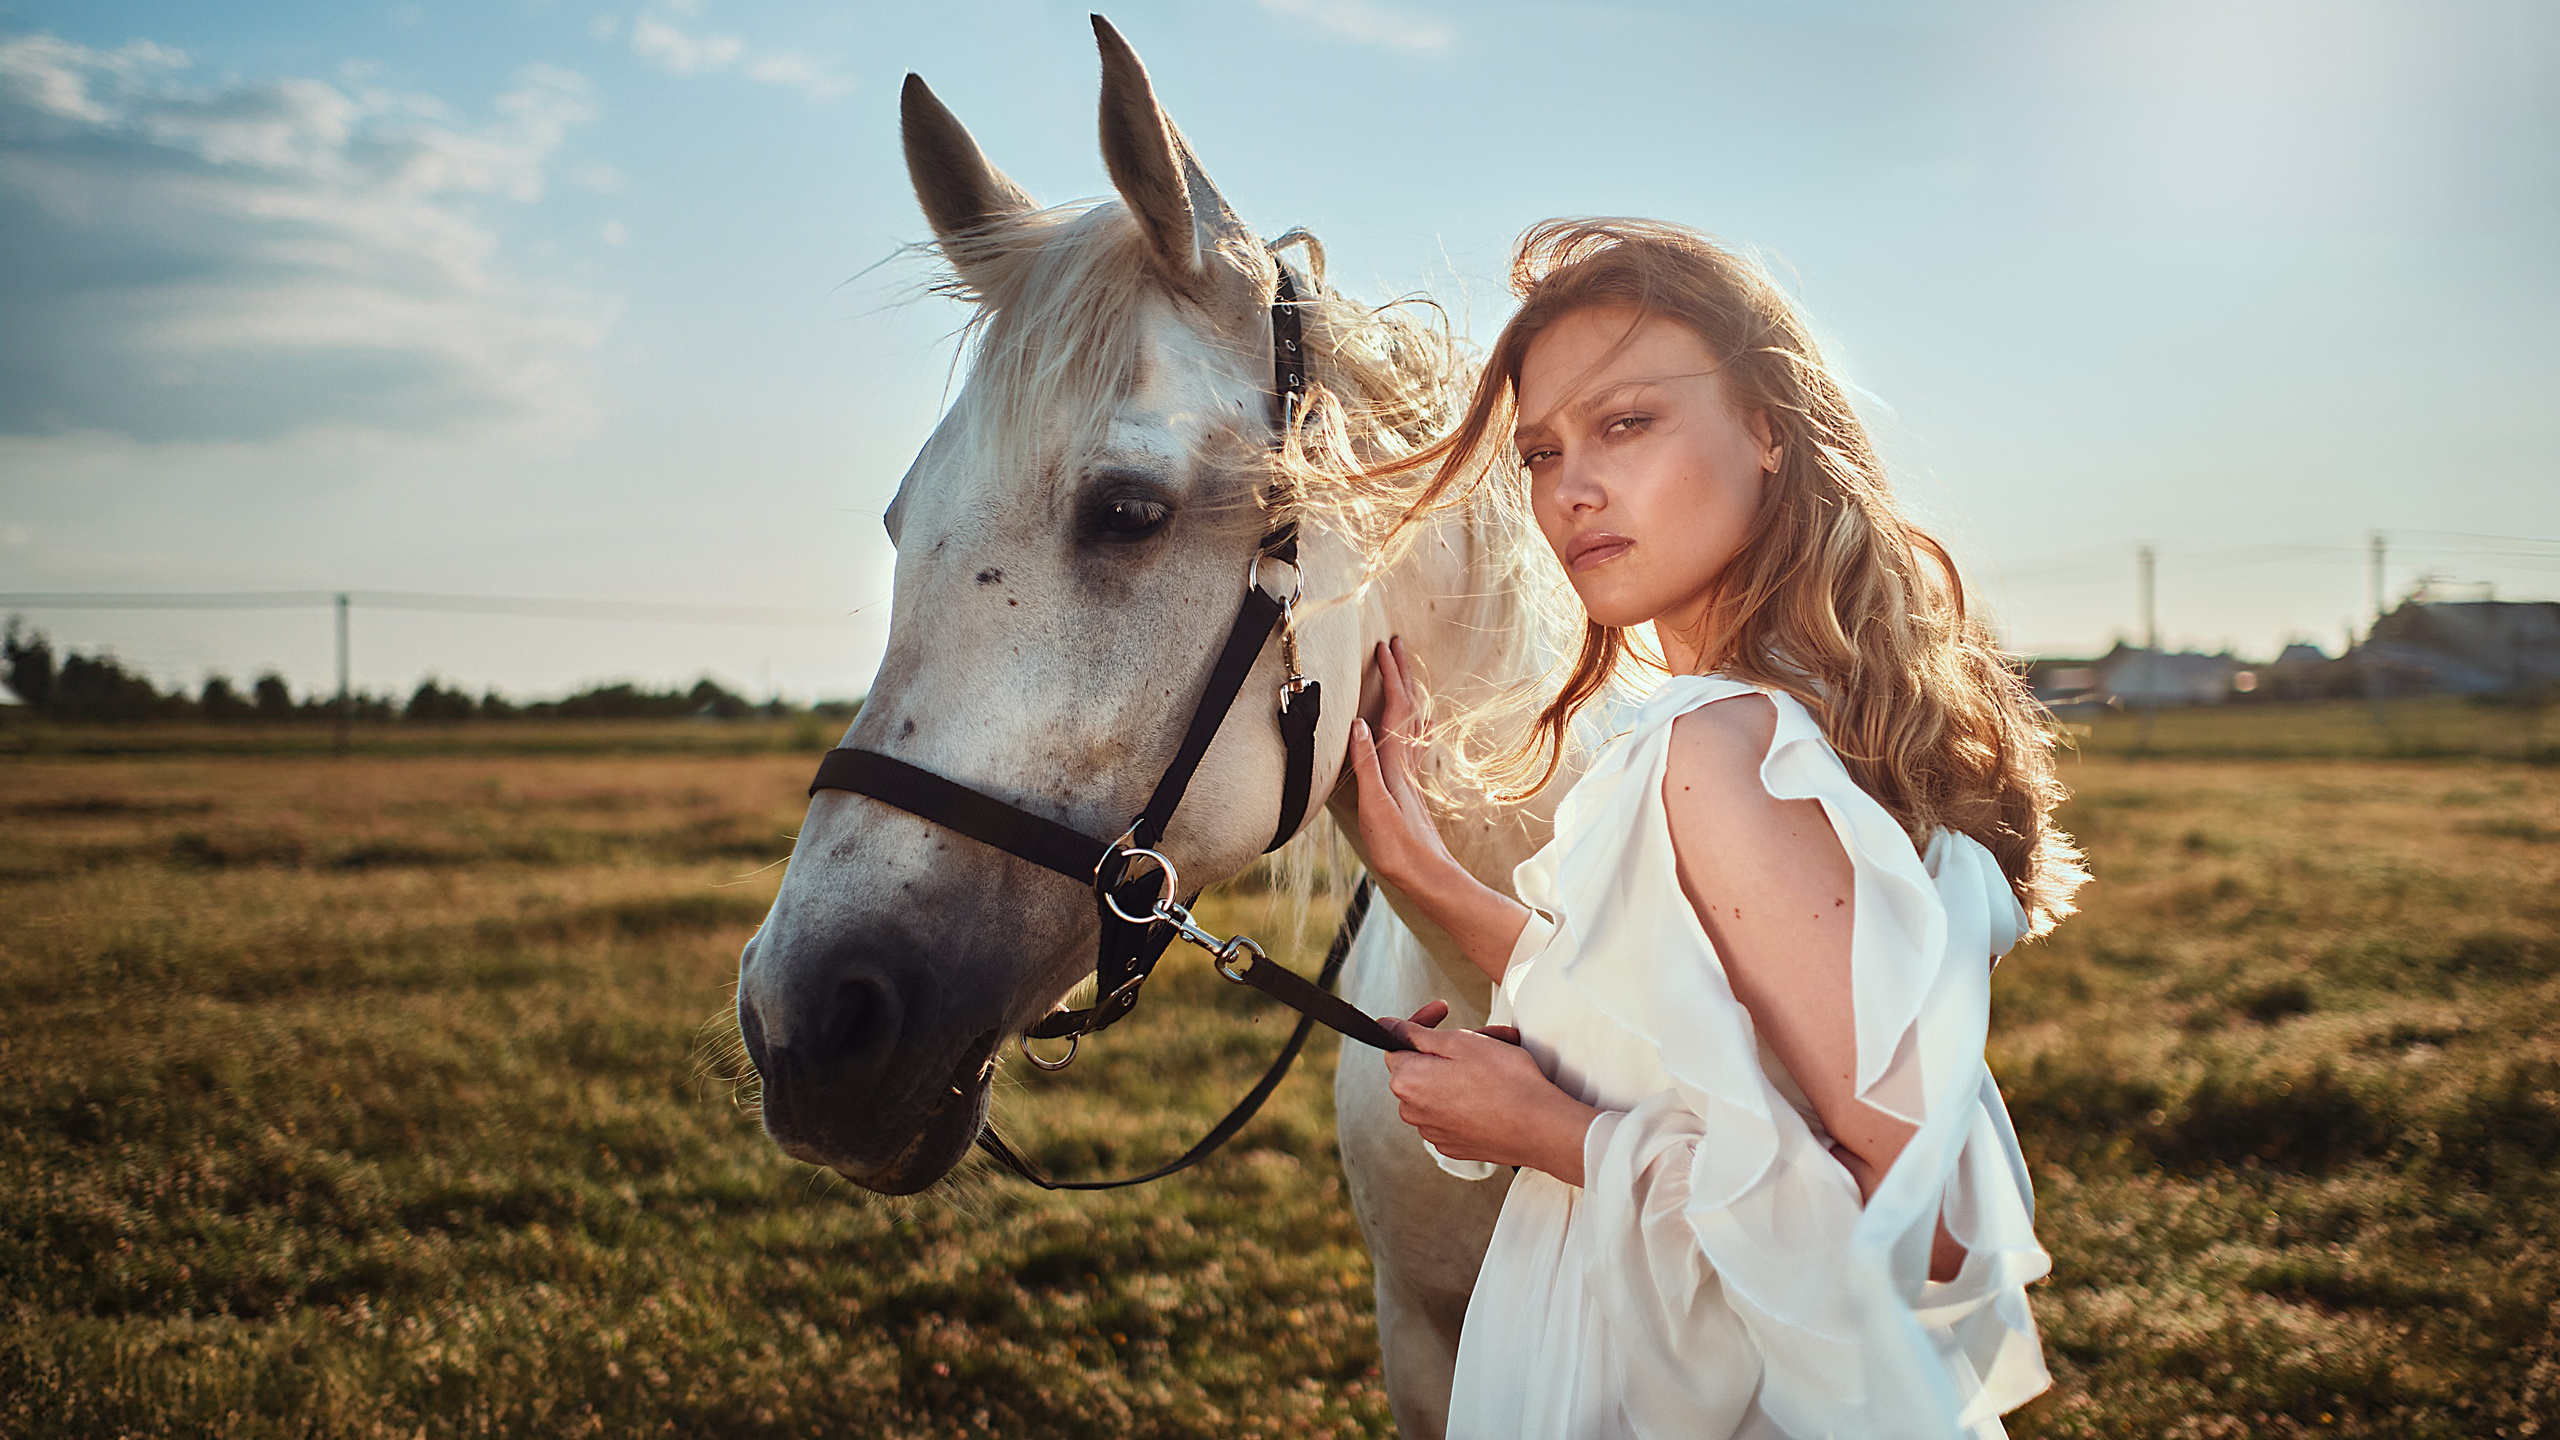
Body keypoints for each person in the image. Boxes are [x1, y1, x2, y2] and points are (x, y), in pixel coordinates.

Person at [1339, 219, 2087, 1439]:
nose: (1569, 488)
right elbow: (1692, 1019)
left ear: (1767, 430)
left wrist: (1551, 1132)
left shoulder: (1721, 751)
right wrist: (1410, 861)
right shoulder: (1763, 720)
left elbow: (1920, 1224)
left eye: (1626, 424)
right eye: (1538, 453)